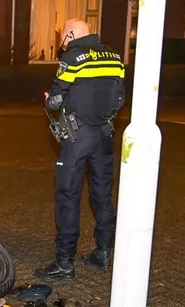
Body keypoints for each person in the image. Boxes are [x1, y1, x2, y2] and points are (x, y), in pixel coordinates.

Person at [34, 18, 126, 282]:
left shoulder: (72, 58)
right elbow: (120, 98)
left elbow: (55, 100)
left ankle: (64, 262)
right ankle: (104, 253)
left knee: (68, 195)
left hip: (77, 136)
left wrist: (48, 101)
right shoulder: (115, 57)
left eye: (63, 37)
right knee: (102, 195)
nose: (62, 44)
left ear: (72, 35)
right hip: (104, 135)